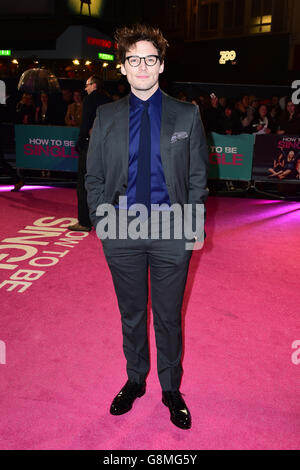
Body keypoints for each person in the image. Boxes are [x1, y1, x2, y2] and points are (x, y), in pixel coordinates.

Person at [85, 24, 208, 429]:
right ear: (122, 67)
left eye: (149, 58)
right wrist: (102, 220)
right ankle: (135, 380)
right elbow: (94, 176)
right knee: (132, 312)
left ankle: (171, 388)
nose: (142, 66)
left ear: (160, 65)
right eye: (133, 59)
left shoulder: (186, 114)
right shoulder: (106, 116)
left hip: (172, 227)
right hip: (121, 228)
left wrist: (193, 223)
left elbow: (196, 178)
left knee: (168, 315)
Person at [68, 76, 110, 232]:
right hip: (106, 147)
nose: (85, 89)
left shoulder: (90, 99)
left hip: (90, 146)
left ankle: (85, 222)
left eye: (86, 85)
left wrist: (80, 142)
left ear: (94, 85)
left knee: (83, 183)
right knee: (103, 184)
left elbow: (85, 123)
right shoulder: (109, 100)